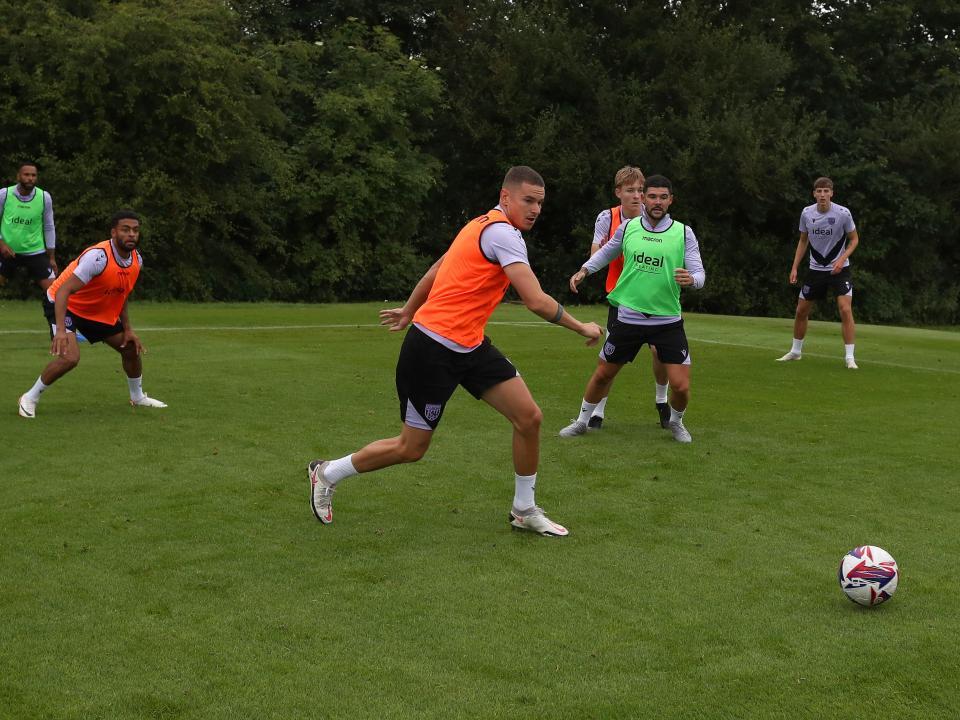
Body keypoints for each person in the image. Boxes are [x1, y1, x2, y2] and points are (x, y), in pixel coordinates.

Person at [307, 166, 602, 536]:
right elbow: (535, 301)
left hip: (471, 347)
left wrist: (409, 308)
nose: (535, 209)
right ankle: (327, 472)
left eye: (540, 203)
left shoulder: (480, 225)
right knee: (411, 448)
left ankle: (524, 509)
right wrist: (582, 327)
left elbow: (437, 267)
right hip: (431, 350)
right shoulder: (502, 234)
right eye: (528, 200)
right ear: (506, 197)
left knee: (529, 418)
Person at [559, 174, 706, 443]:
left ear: (671, 200)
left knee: (682, 386)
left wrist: (692, 280)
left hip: (667, 320)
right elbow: (607, 252)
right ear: (643, 199)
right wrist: (585, 269)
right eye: (652, 196)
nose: (657, 202)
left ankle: (676, 422)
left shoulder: (683, 232)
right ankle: (581, 421)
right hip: (628, 316)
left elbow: (699, 273)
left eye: (663, 197)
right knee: (603, 374)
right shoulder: (628, 228)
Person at [17, 210, 167, 418]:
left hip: (94, 309)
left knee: (130, 347)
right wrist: (61, 330)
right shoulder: (98, 257)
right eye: (125, 230)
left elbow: (121, 295)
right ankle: (29, 397)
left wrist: (129, 330)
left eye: (135, 230)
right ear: (113, 233)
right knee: (70, 357)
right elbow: (63, 291)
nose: (131, 234)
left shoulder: (136, 261)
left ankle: (138, 397)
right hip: (63, 303)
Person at [586, 165, 670, 431]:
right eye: (631, 190)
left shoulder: (654, 218)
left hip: (654, 297)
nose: (637, 196)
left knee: (660, 351)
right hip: (621, 297)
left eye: (640, 190)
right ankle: (597, 411)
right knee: (610, 356)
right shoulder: (607, 218)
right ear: (618, 193)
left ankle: (661, 401)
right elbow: (597, 251)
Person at [777, 177, 860, 368]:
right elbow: (803, 240)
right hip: (815, 270)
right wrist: (795, 266)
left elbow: (854, 239)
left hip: (840, 270)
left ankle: (849, 357)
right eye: (819, 191)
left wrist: (841, 259)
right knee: (801, 311)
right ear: (814, 194)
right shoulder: (806, 213)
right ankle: (796, 352)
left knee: (845, 309)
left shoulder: (843, 214)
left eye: (826, 191)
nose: (822, 195)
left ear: (832, 193)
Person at [0, 162, 58, 315]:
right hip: (7, 252)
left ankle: (64, 330)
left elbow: (49, 226)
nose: (30, 178)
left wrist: (51, 257)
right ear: (18, 176)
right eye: (26, 174)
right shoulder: (4, 194)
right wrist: (1, 243)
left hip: (35, 252)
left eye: (33, 175)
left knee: (56, 294)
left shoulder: (44, 197)